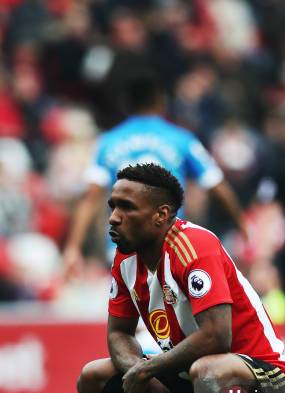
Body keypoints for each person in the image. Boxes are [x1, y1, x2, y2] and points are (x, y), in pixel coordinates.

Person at [77, 163, 285, 393]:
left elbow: (217, 335)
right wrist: (140, 376)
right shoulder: (125, 259)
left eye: (127, 208)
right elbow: (118, 333)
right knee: (93, 379)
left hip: (272, 388)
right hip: (198, 383)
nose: (114, 218)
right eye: (112, 207)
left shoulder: (194, 245)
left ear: (161, 215)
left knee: (208, 369)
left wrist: (148, 372)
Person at [63, 73, 245, 277]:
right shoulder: (182, 140)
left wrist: (73, 248)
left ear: (127, 105)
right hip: (168, 246)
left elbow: (90, 199)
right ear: (161, 102)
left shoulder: (107, 142)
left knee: (131, 307)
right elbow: (218, 187)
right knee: (168, 307)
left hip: (122, 249)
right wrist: (244, 231)